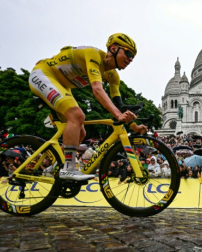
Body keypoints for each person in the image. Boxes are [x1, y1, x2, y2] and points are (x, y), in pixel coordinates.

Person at [28, 33, 147, 181]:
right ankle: (69, 169)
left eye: (133, 56)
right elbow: (97, 90)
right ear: (114, 48)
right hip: (43, 74)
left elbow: (119, 108)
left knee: (81, 132)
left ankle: (57, 166)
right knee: (77, 116)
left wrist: (134, 127)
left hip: (62, 85)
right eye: (128, 53)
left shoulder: (113, 77)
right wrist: (117, 115)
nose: (131, 59)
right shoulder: (94, 55)